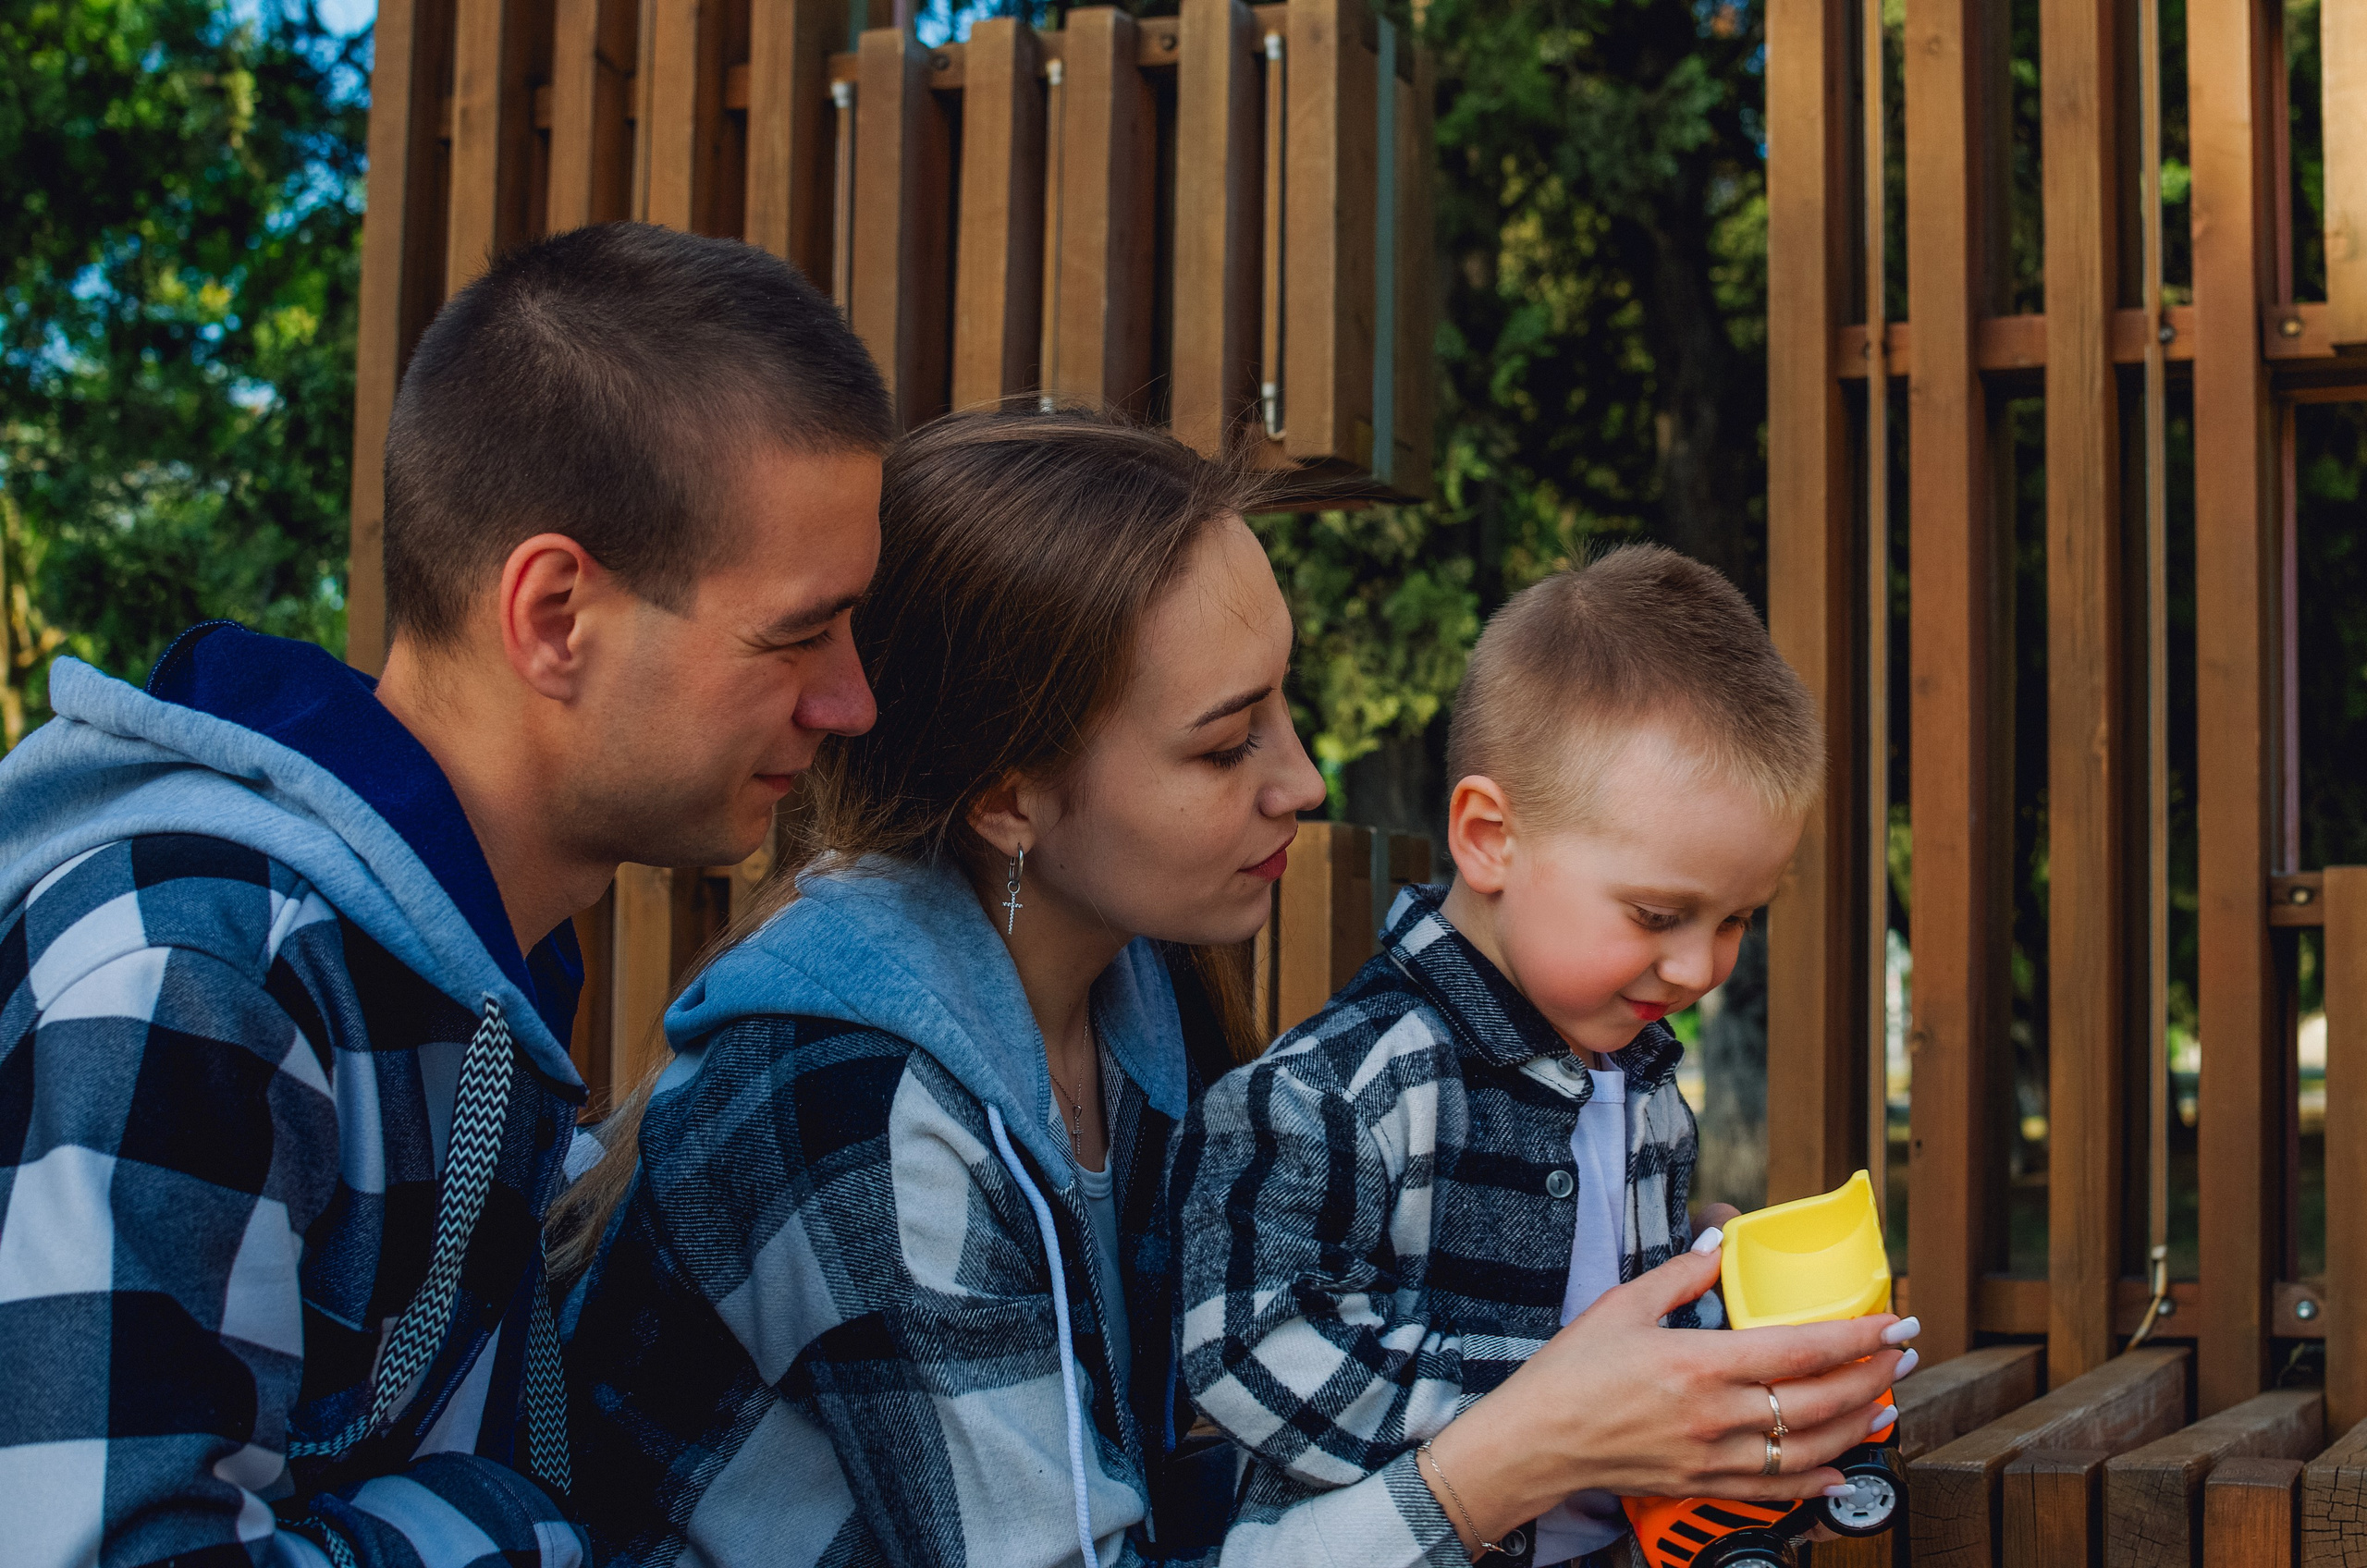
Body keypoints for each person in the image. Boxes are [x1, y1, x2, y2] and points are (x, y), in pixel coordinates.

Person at [0, 222, 891, 1567]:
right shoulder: (201, 976)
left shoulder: (447, 976)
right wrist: (511, 1529)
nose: (851, 701)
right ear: (553, 616)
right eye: (796, 634)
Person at [554, 409, 1365, 1566]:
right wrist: (1493, 1471)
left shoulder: (1141, 995)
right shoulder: (854, 1110)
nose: (1303, 779)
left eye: (1283, 702)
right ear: (1008, 800)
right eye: (1226, 743)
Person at [1171, 545, 1919, 1566]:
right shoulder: (1340, 1088)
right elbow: (1247, 1352)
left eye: (1740, 917)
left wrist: (1711, 1300)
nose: (1702, 964)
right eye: (1658, 912)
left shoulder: (1643, 1084)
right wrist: (1558, 1404)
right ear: (1488, 838)